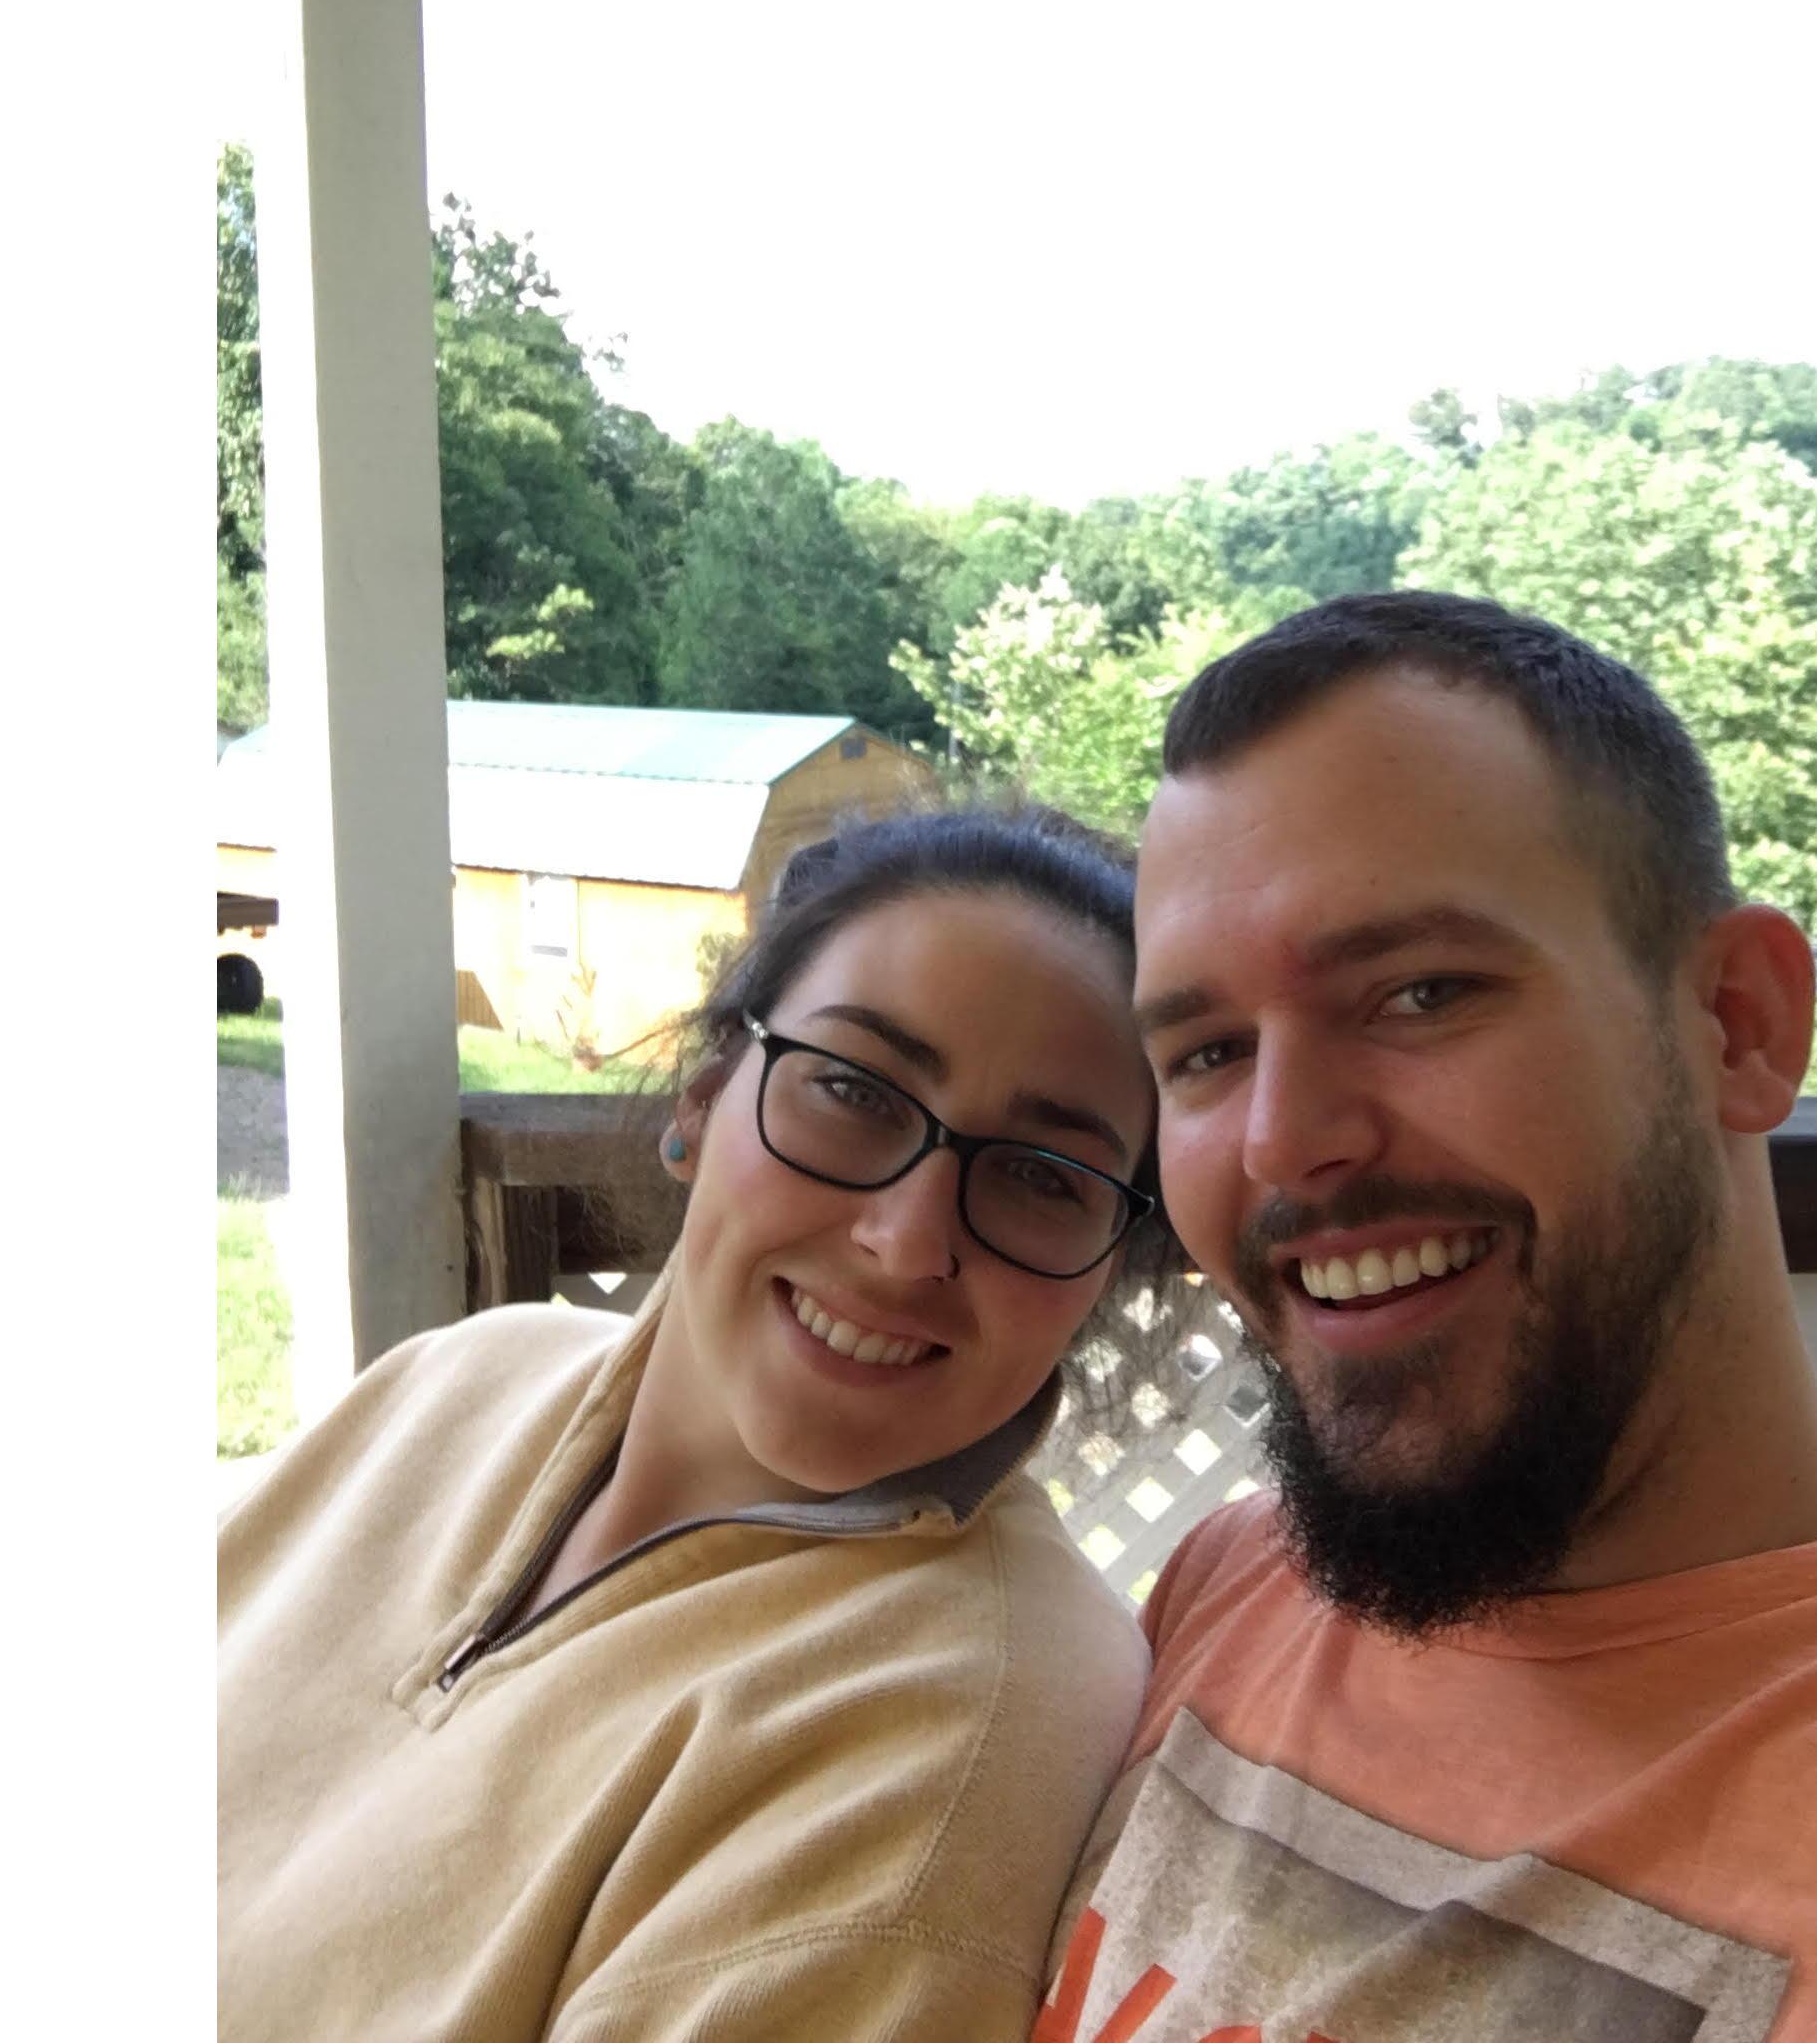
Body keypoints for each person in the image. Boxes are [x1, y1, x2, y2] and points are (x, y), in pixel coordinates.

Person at [1038, 593, 1817, 2043]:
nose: (1279, 1141)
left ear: (1738, 1025)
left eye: (1418, 993)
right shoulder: (1230, 1591)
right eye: (1206, 1051)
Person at [219, 807, 1175, 2043]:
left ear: (1109, 1267)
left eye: (1043, 1175)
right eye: (850, 1089)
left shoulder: (953, 1722)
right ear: (702, 1092)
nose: (904, 1240)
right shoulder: (456, 1380)